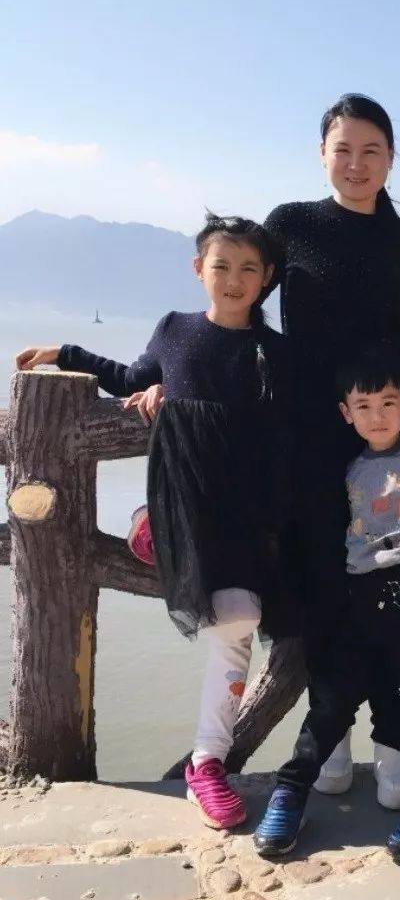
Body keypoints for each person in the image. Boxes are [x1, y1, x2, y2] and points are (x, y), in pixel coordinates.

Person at [15, 213, 300, 828]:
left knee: (240, 621)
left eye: (248, 268)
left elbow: (289, 423)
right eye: (221, 265)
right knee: (232, 621)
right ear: (199, 269)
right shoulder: (175, 329)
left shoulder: (275, 352)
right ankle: (210, 761)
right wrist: (68, 354)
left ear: (267, 277)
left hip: (249, 515)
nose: (233, 278)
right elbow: (130, 377)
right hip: (188, 506)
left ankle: (206, 759)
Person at [261, 92, 400, 809]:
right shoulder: (289, 225)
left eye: (371, 151)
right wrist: (166, 374)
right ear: (321, 154)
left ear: (391, 158)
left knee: (396, 589)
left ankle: (394, 750)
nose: (356, 163)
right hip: (312, 439)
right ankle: (330, 742)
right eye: (343, 149)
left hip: (392, 444)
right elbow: (236, 308)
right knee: (324, 587)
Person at [254, 345, 400, 863]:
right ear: (346, 413)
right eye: (363, 406)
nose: (377, 416)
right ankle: (290, 790)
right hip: (358, 598)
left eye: (388, 403)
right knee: (331, 699)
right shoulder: (349, 469)